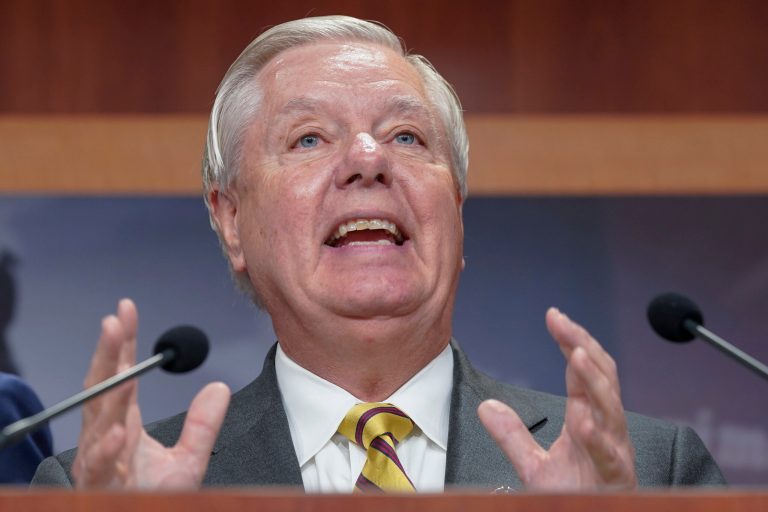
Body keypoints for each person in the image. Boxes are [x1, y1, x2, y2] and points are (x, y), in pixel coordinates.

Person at [32, 15, 724, 491]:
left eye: (405, 137)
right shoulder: (98, 488)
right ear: (232, 219)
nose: (368, 159)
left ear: (456, 209)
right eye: (308, 138)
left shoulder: (651, 469)